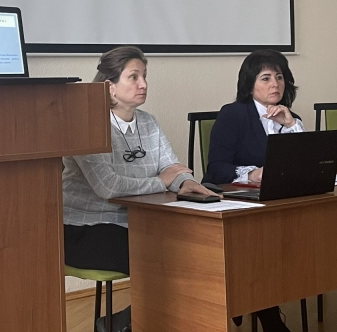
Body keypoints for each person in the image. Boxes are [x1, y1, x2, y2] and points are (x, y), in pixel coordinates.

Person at [62, 46, 218, 332]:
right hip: (86, 230)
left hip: (138, 222)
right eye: (133, 77)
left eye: (144, 76)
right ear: (109, 86)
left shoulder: (148, 122)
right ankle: (127, 323)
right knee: (172, 256)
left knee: (203, 247)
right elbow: (108, 186)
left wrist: (188, 183)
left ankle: (123, 322)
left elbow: (172, 167)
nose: (143, 84)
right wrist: (162, 182)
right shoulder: (85, 123)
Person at [203, 48, 303, 332]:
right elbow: (216, 167)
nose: (275, 84)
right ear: (250, 85)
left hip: (274, 202)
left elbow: (303, 163)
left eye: (279, 77)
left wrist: (291, 125)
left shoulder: (289, 116)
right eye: (266, 78)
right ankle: (267, 315)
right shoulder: (233, 114)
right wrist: (252, 173)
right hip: (235, 201)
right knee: (259, 241)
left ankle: (249, 300)